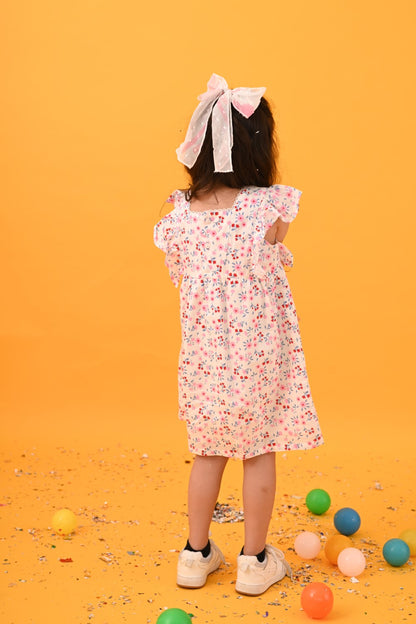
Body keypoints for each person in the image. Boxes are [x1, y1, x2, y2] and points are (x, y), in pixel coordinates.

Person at [153, 73, 323, 596]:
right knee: (259, 452)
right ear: (258, 150)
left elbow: (178, 268)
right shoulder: (268, 209)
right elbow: (275, 237)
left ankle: (195, 553)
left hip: (205, 362)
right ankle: (253, 561)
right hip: (259, 361)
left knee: (207, 454)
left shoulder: (178, 218)